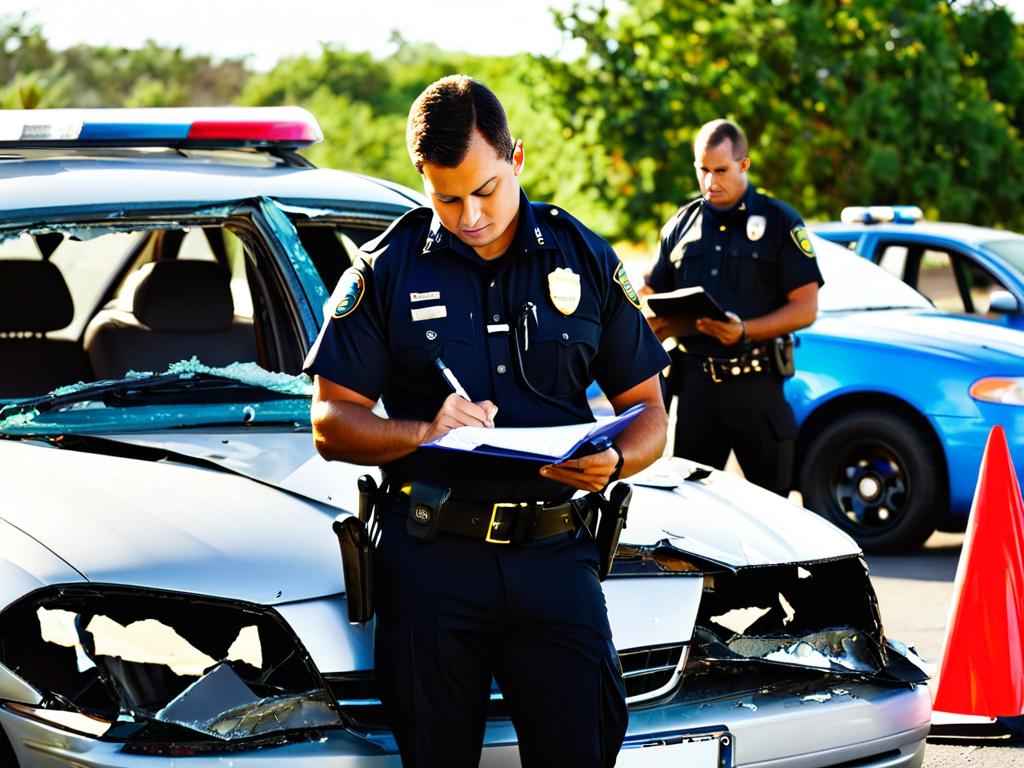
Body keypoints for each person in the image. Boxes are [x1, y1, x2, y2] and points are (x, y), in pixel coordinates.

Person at [304, 75, 669, 767]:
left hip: (557, 558)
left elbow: (649, 413)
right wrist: (423, 431)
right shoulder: (387, 268)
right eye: (447, 197)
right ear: (422, 177)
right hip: (433, 562)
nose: (469, 214)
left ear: (517, 159)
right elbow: (331, 422)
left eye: (485, 190)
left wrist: (617, 461)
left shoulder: (582, 255)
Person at [642, 119, 822, 496]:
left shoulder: (779, 221)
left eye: (720, 170)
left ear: (744, 165)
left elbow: (806, 308)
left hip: (755, 385)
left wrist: (745, 330)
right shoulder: (681, 224)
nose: (710, 182)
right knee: (690, 513)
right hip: (695, 390)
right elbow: (649, 293)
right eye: (702, 170)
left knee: (771, 511)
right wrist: (659, 322)